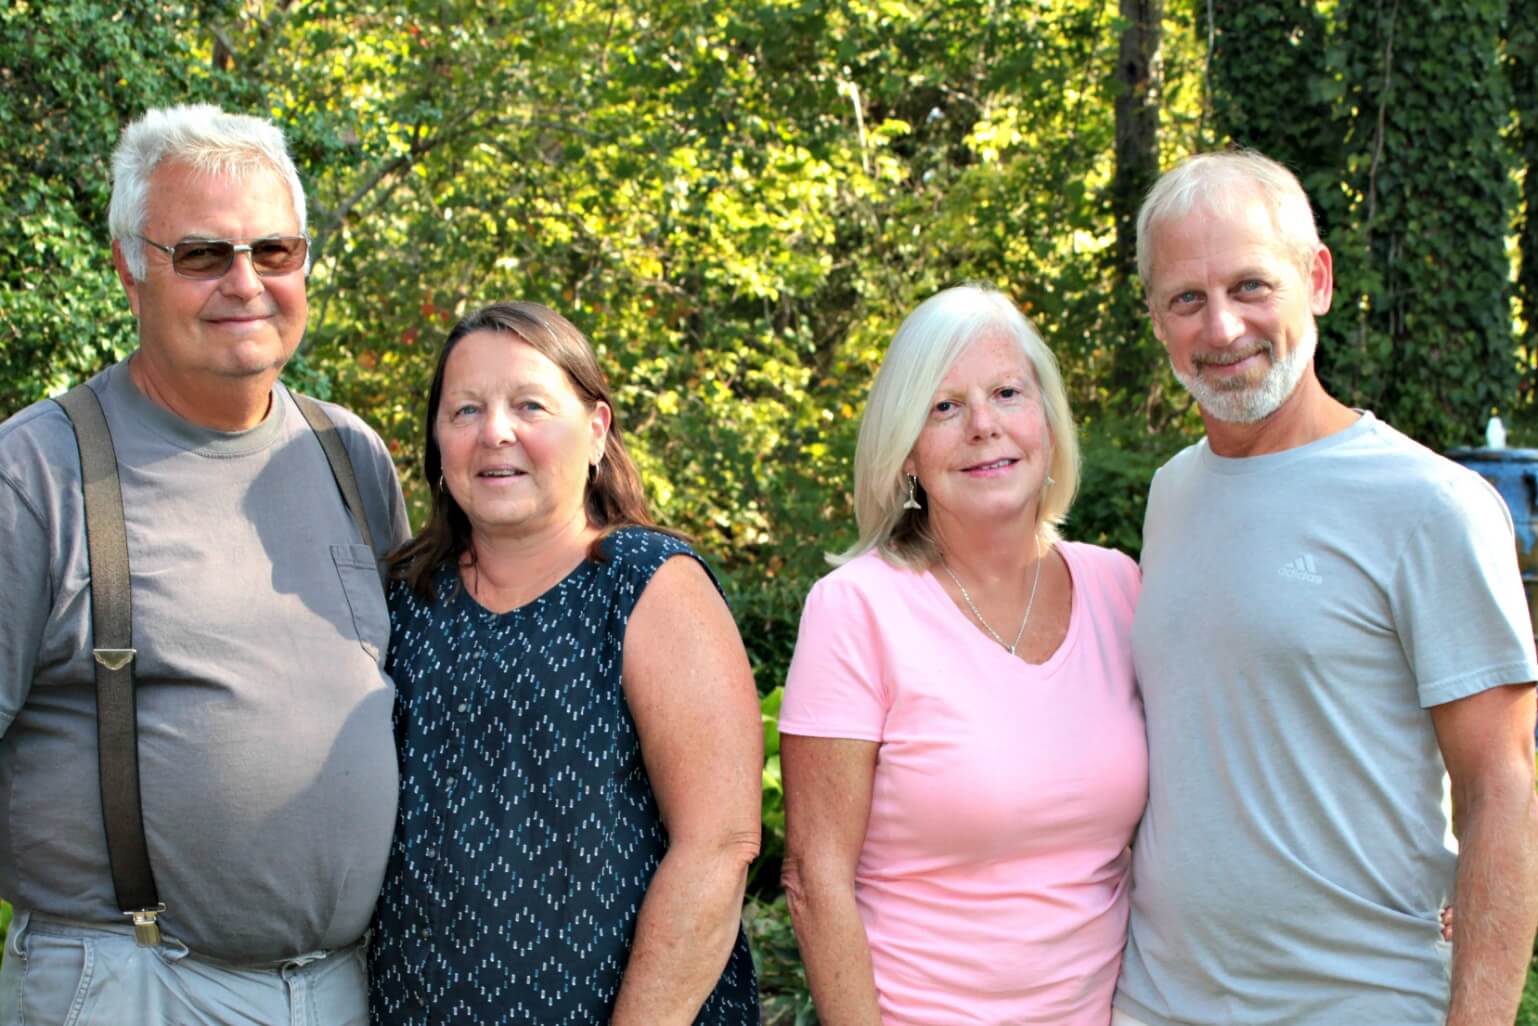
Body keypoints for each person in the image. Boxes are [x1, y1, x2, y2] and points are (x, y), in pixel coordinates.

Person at [0, 105, 408, 1024]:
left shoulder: (351, 456)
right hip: (131, 985)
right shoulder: (35, 475)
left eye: (275, 251)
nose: (245, 283)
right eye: (201, 255)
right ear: (129, 268)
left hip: (346, 987)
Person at [1113, 150, 1538, 1026]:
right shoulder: (1171, 495)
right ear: (1156, 318)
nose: (1222, 328)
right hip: (1156, 1002)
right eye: (1187, 298)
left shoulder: (1431, 507)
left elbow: (1503, 788)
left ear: (1318, 280)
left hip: (1360, 1002)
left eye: (1251, 286)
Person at [367, 301, 763, 1026]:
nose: (495, 432)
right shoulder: (403, 602)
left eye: (530, 405)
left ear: (596, 430)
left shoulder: (649, 585)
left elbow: (719, 845)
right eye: (464, 410)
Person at [779, 284, 1147, 1025]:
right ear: (907, 452)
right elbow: (817, 879)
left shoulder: (1121, 587)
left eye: (1007, 393)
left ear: (1046, 421)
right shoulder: (856, 609)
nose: (984, 426)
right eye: (944, 407)